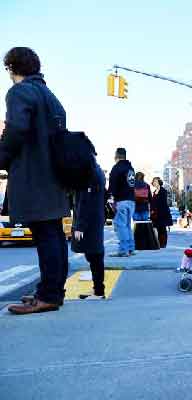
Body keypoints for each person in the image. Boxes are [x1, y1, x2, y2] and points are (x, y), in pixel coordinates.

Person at [1, 47, 70, 314]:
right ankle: (52, 290)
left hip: (34, 176)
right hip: (54, 176)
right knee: (52, 233)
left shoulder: (20, 92)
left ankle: (49, 295)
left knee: (46, 236)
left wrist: (2, 158)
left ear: (12, 68)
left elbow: (16, 129)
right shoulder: (50, 96)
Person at [72, 153, 106, 300]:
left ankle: (98, 292)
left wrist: (80, 226)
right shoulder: (97, 171)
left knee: (94, 255)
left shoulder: (89, 174)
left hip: (89, 222)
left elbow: (85, 201)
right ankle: (98, 290)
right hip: (95, 219)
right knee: (94, 255)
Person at [108, 147, 136, 257]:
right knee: (127, 225)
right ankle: (130, 248)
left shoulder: (117, 168)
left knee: (120, 225)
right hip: (131, 201)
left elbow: (112, 186)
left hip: (122, 200)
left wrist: (112, 200)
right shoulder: (130, 168)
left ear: (117, 156)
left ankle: (123, 250)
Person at [150, 177, 172, 248]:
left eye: (156, 181)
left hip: (162, 212)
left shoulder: (163, 191)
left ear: (159, 182)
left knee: (162, 228)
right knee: (158, 228)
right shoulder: (154, 191)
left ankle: (163, 244)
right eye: (153, 182)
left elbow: (163, 203)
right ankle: (159, 242)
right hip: (155, 213)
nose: (154, 183)